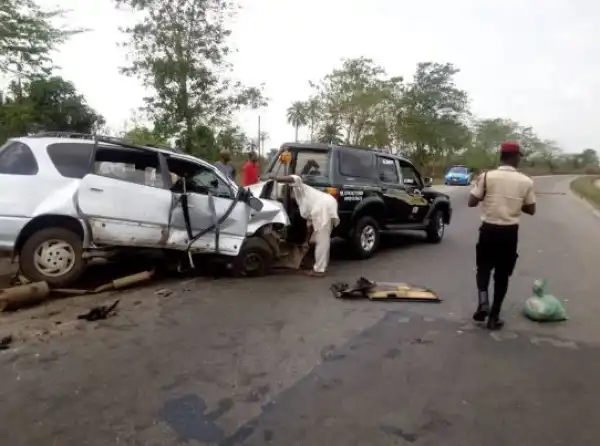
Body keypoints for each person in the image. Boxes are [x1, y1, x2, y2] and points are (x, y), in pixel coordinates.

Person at [468, 141, 536, 330]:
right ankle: (494, 317)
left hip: (488, 230)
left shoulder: (487, 177)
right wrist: (515, 201)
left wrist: (485, 193)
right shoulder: (526, 181)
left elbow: (471, 201)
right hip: (509, 234)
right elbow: (531, 209)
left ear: (501, 156)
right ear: (515, 157)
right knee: (502, 275)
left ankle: (483, 302)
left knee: (483, 268)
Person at [269, 173, 339, 277]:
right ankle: (321, 266)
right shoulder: (301, 204)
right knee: (320, 240)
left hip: (324, 206)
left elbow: (295, 178)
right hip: (323, 207)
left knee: (322, 241)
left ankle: (319, 270)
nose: (290, 196)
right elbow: (309, 225)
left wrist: (277, 177)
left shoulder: (300, 189)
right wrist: (306, 242)